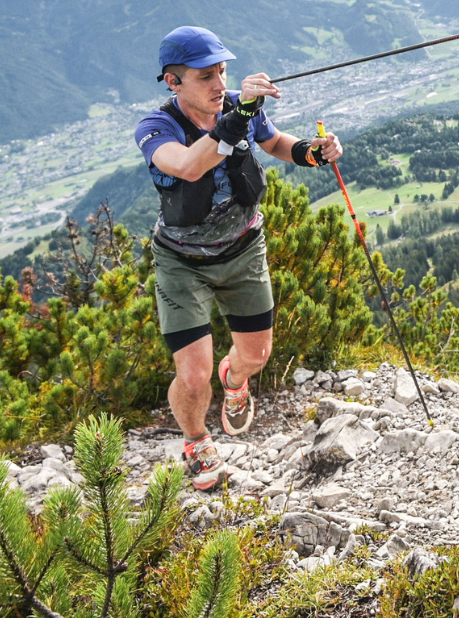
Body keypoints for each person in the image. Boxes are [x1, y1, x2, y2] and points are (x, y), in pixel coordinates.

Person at [134, 26, 343, 491]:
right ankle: (195, 440)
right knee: (192, 376)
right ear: (173, 82)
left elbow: (275, 144)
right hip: (182, 262)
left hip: (244, 248)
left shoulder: (235, 107)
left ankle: (236, 378)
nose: (218, 84)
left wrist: (314, 152)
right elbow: (188, 166)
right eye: (205, 76)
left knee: (257, 355)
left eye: (222, 72)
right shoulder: (156, 127)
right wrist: (240, 113)